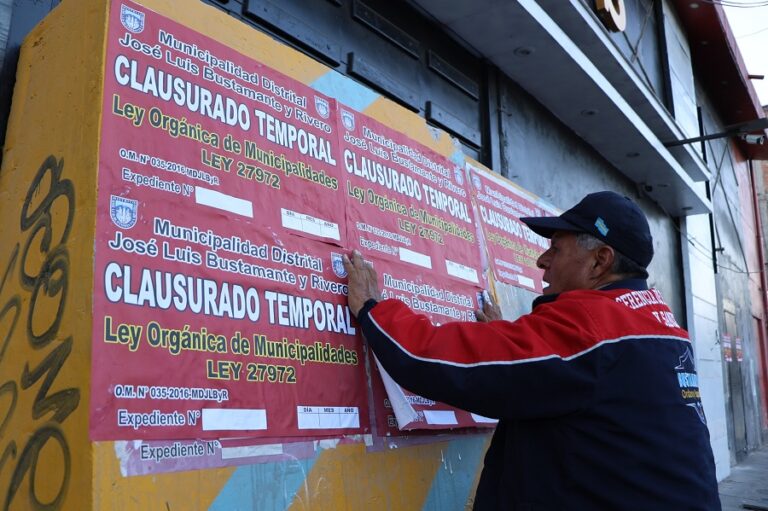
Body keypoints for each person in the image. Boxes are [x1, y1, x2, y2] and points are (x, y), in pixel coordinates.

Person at [343, 191, 720, 510]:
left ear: (600, 260)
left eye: (555, 249)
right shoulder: (658, 323)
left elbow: (441, 359)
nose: (542, 261)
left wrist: (373, 312)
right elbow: (568, 382)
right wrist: (512, 344)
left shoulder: (595, 325)